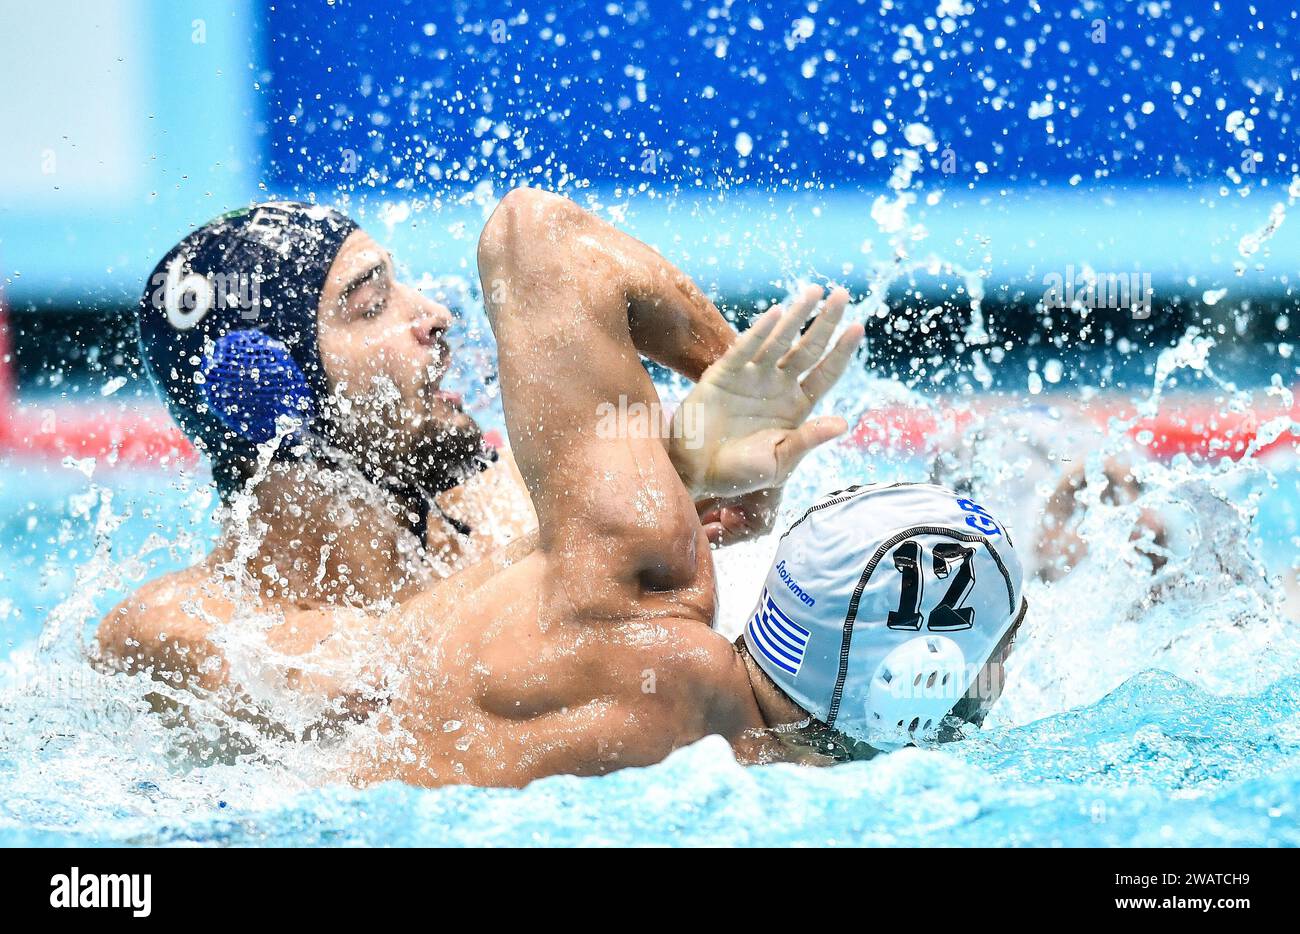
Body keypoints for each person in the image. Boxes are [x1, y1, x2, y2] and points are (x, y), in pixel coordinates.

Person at [99, 189, 1025, 785]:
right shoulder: (173, 627)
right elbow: (375, 671)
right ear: (273, 395)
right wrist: (665, 471)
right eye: (370, 304)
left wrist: (720, 420)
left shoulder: (486, 502)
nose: (434, 315)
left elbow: (589, 586)